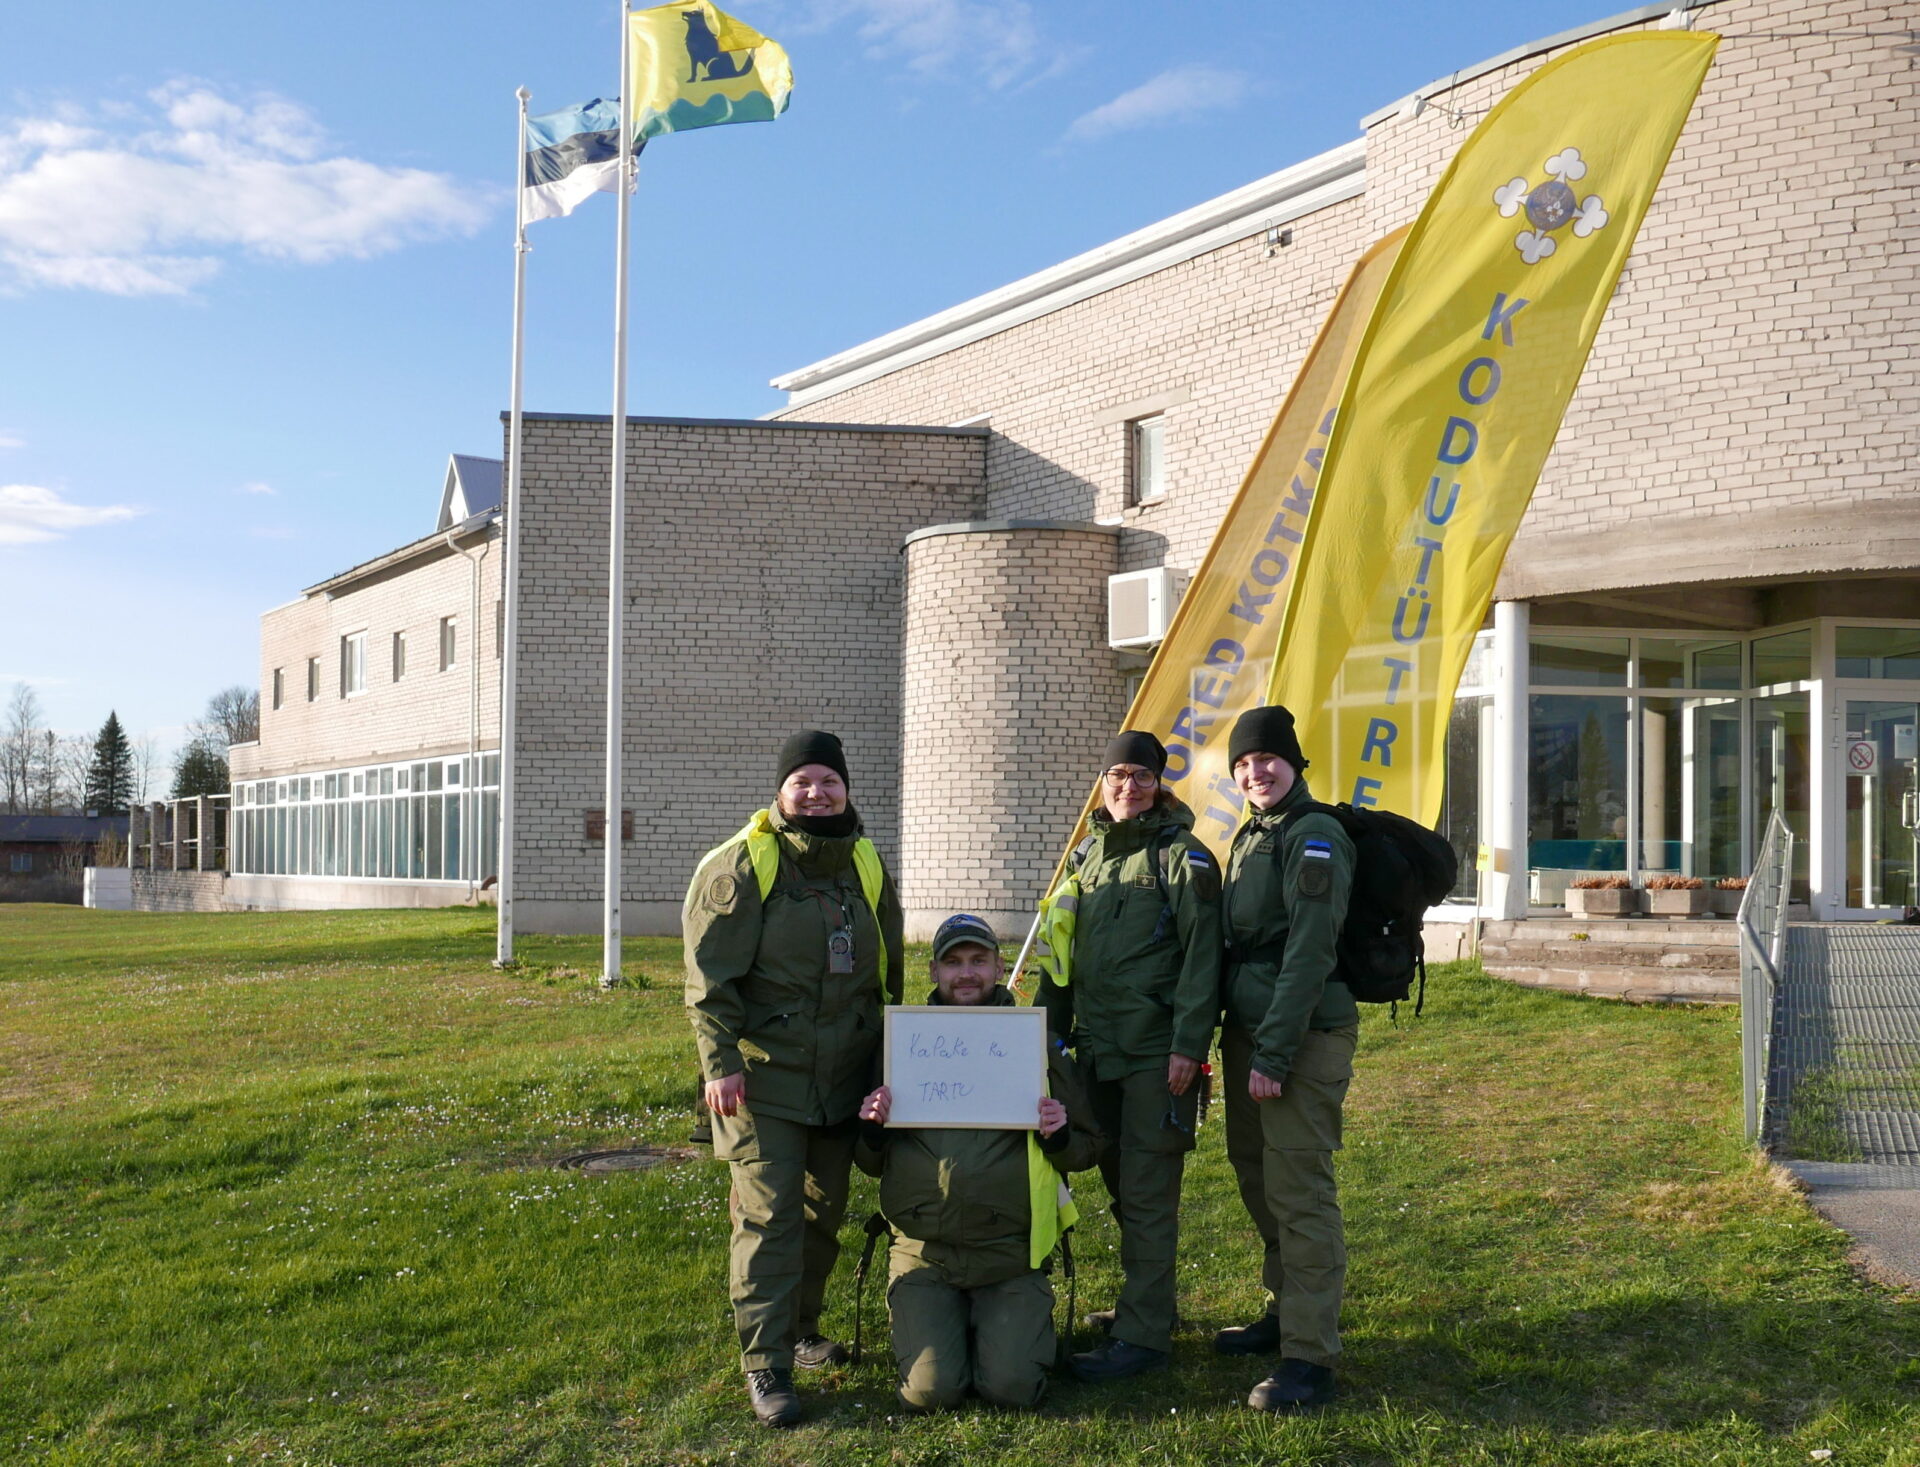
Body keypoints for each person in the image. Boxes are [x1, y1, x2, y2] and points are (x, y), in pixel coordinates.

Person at [683, 729, 905, 1428]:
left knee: (821, 1217)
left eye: (828, 781)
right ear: (780, 791)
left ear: (846, 789)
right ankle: (766, 1363)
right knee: (769, 1219)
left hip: (841, 1078)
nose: (816, 793)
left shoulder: (864, 859)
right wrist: (720, 1066)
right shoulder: (743, 864)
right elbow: (709, 981)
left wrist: (891, 1059)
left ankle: (802, 1332)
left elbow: (887, 971)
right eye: (802, 781)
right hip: (762, 1081)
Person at [1032, 730, 1222, 1382]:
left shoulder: (1182, 857)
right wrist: (1040, 1039)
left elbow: (1204, 960)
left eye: (1142, 775)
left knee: (1146, 1194)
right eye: (1118, 774)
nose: (1128, 786)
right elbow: (1058, 956)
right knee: (1119, 1184)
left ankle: (1142, 1338)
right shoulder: (1086, 856)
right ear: (1103, 781)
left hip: (1154, 1057)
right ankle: (1149, 1305)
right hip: (1095, 1055)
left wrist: (1188, 1046)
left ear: (1159, 783)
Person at [855, 913, 1103, 1411]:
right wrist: (871, 1128)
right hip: (925, 1253)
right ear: (933, 971)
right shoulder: (902, 1044)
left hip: (1009, 1254)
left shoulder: (1034, 1044)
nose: (966, 973)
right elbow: (869, 1163)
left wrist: (1059, 1136)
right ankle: (951, 1326)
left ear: (998, 967)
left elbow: (1087, 1150)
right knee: (930, 1393)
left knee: (1012, 1389)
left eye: (978, 960)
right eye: (953, 962)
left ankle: (995, 1329)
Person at [1216, 704, 1357, 1413]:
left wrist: (1274, 1053)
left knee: (1300, 1190)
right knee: (1259, 1175)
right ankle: (1285, 1310)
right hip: (1252, 1031)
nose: (1255, 772)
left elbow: (1308, 951)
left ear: (1295, 762)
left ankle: (1310, 1355)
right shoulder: (1255, 833)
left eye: (1267, 758)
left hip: (1300, 1037)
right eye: (1242, 763)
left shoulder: (1314, 834)